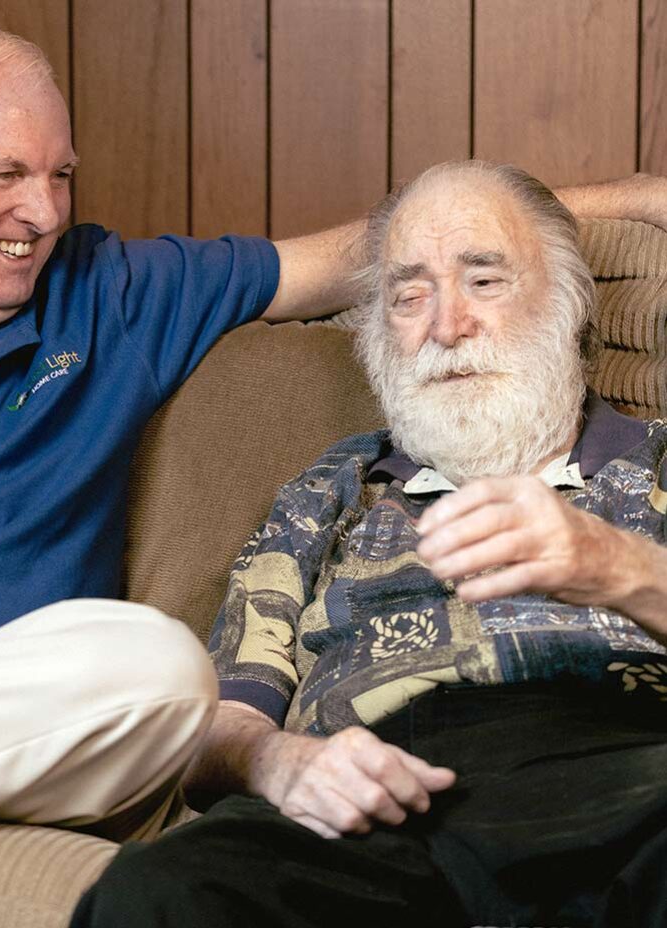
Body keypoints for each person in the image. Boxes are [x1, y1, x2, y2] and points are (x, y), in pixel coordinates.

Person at [71, 160, 667, 928]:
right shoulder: (330, 492)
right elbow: (220, 719)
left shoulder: (655, 461)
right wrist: (282, 762)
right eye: (409, 294)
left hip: (619, 771)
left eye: (485, 281)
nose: (447, 326)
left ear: (570, 304)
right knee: (156, 894)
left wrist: (614, 564)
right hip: (373, 794)